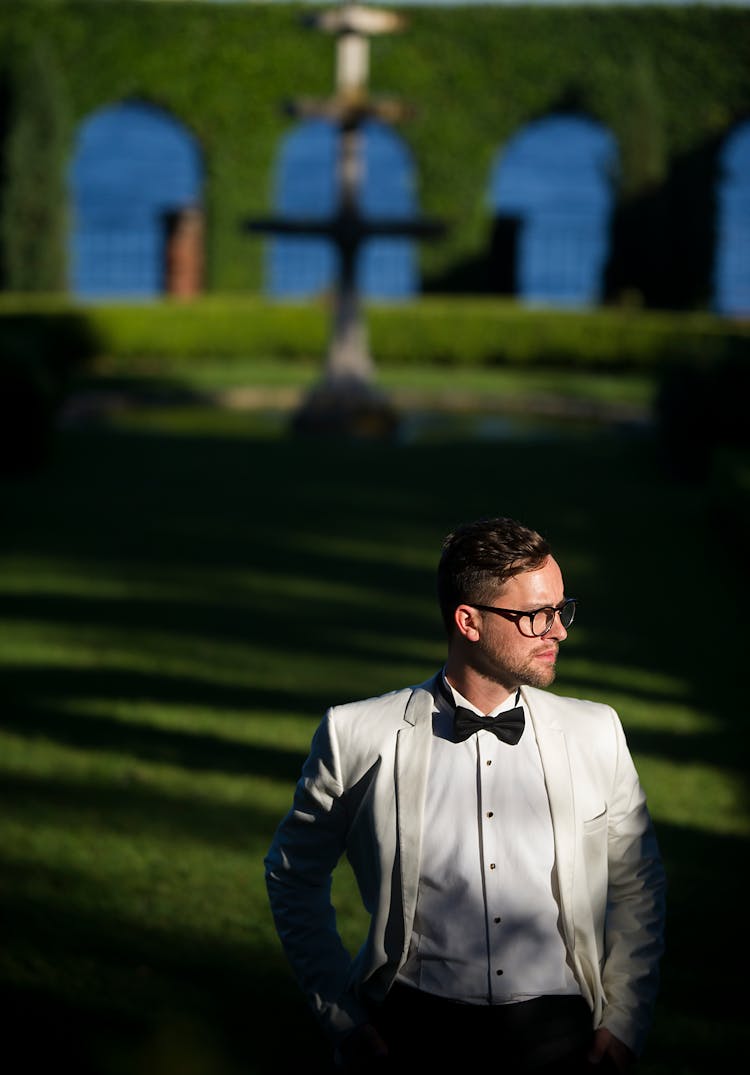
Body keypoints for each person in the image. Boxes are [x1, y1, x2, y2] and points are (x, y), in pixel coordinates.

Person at [265, 516, 666, 1074]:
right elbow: (293, 873)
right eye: (536, 616)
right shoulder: (357, 734)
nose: (559, 631)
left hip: (562, 1037)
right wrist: (342, 1016)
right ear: (468, 621)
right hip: (412, 1032)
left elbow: (637, 885)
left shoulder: (596, 732)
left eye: (560, 609)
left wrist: (624, 1022)